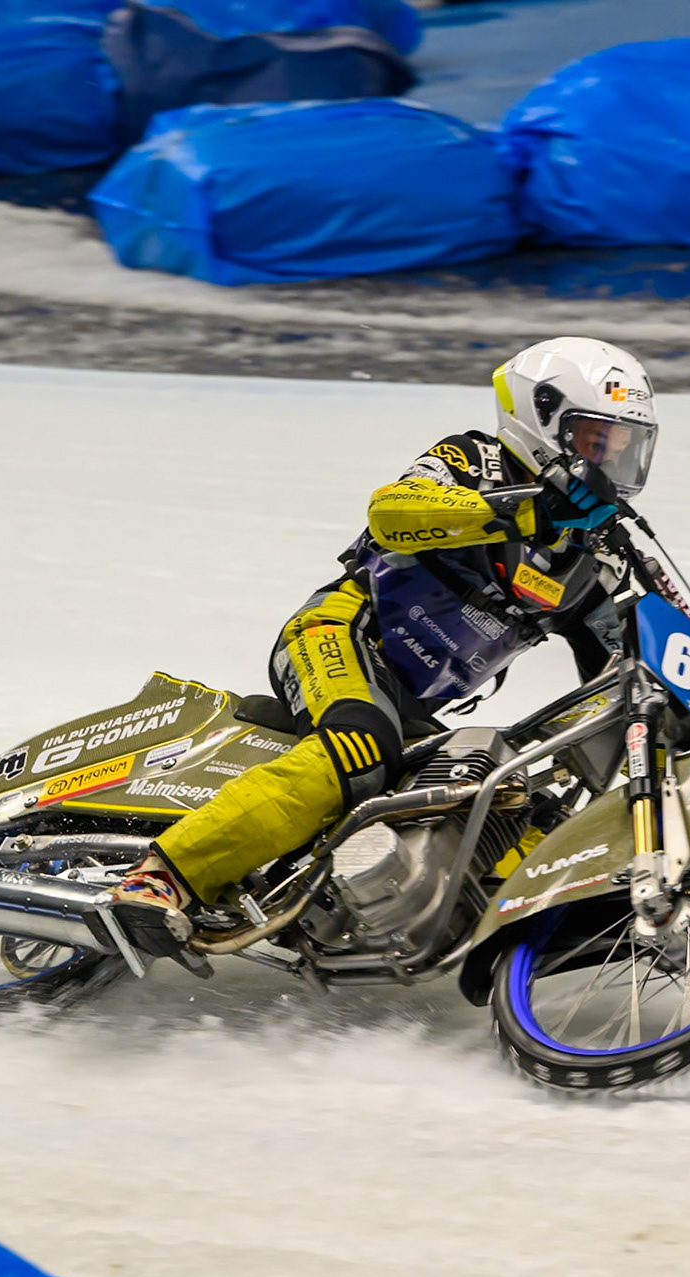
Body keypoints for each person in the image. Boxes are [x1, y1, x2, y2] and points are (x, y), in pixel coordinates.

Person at [105, 337, 661, 957]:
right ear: (544, 418)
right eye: (595, 440)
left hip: (417, 707)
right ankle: (162, 876)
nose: (608, 462)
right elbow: (392, 514)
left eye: (621, 447)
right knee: (361, 749)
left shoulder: (593, 561)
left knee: (501, 801)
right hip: (342, 633)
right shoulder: (474, 458)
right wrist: (527, 511)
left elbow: (614, 670)